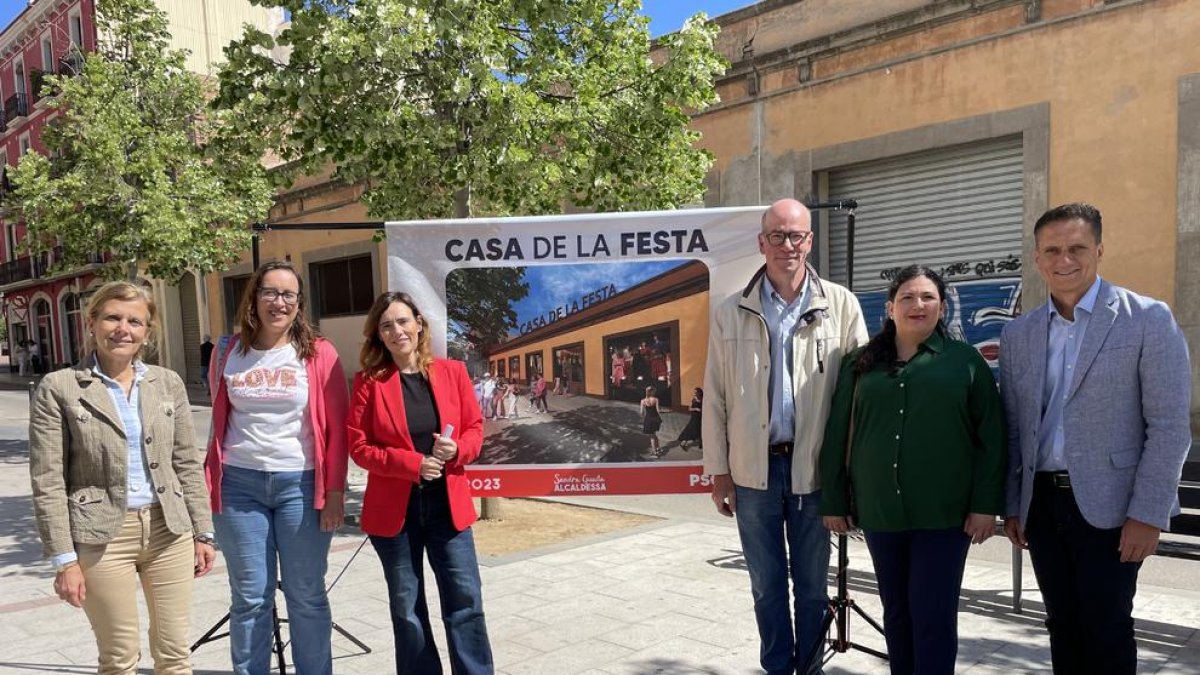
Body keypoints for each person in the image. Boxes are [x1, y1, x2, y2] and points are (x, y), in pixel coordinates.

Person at [999, 203, 1192, 675]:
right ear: (1038, 259)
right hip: (1042, 506)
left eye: (1077, 248)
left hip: (1113, 509)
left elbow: (1168, 425)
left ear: (1100, 251)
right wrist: (1012, 504)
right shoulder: (1018, 333)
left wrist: (1148, 513)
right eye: (1052, 250)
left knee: (1106, 630)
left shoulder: (1147, 318)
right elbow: (1015, 427)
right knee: (1062, 626)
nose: (1065, 259)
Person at [703, 198, 868, 675]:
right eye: (777, 235)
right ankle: (777, 667)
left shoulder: (841, 306)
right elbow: (714, 398)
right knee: (766, 585)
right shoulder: (729, 312)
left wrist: (850, 473)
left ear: (810, 241)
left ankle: (810, 667)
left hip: (815, 471)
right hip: (753, 473)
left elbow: (859, 396)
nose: (787, 245)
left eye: (796, 236)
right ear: (761, 243)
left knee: (813, 586)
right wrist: (719, 471)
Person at [819, 265, 1006, 675]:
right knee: (897, 613)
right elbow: (836, 434)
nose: (917, 305)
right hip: (880, 512)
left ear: (941, 307)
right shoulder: (860, 363)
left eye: (927, 298)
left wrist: (985, 506)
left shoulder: (965, 363)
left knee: (933, 616)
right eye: (907, 297)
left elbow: (992, 439)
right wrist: (833, 499)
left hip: (944, 515)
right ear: (890, 308)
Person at [29, 281, 215, 674]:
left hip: (169, 530)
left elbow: (185, 463)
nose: (123, 329)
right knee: (119, 657)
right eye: (112, 317)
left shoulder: (167, 383)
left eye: (135, 321)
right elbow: (47, 480)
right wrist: (65, 560)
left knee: (175, 654)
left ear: (147, 331)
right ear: (92, 322)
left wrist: (202, 531)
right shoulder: (59, 388)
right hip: (101, 538)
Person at [204, 261, 349, 675]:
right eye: (270, 292)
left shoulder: (320, 353)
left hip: (300, 487)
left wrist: (334, 491)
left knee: (306, 593)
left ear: (299, 304)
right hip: (237, 486)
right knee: (250, 596)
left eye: (288, 295)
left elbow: (337, 427)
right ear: (254, 297)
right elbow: (218, 420)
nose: (278, 302)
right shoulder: (228, 352)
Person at [347, 292, 494, 674]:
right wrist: (413, 464)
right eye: (386, 326)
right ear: (378, 335)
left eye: (402, 321)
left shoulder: (452, 372)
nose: (397, 331)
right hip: (396, 513)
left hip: (448, 506)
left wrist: (456, 448)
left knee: (466, 602)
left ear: (418, 323)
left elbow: (476, 430)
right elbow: (359, 448)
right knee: (407, 608)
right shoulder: (369, 382)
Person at [640, 385, 663, 456]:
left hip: (648, 419)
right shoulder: (656, 399)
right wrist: (666, 412)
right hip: (655, 419)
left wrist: (642, 416)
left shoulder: (643, 401)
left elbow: (641, 413)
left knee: (652, 437)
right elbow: (658, 411)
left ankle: (654, 453)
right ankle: (658, 448)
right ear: (652, 392)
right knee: (654, 434)